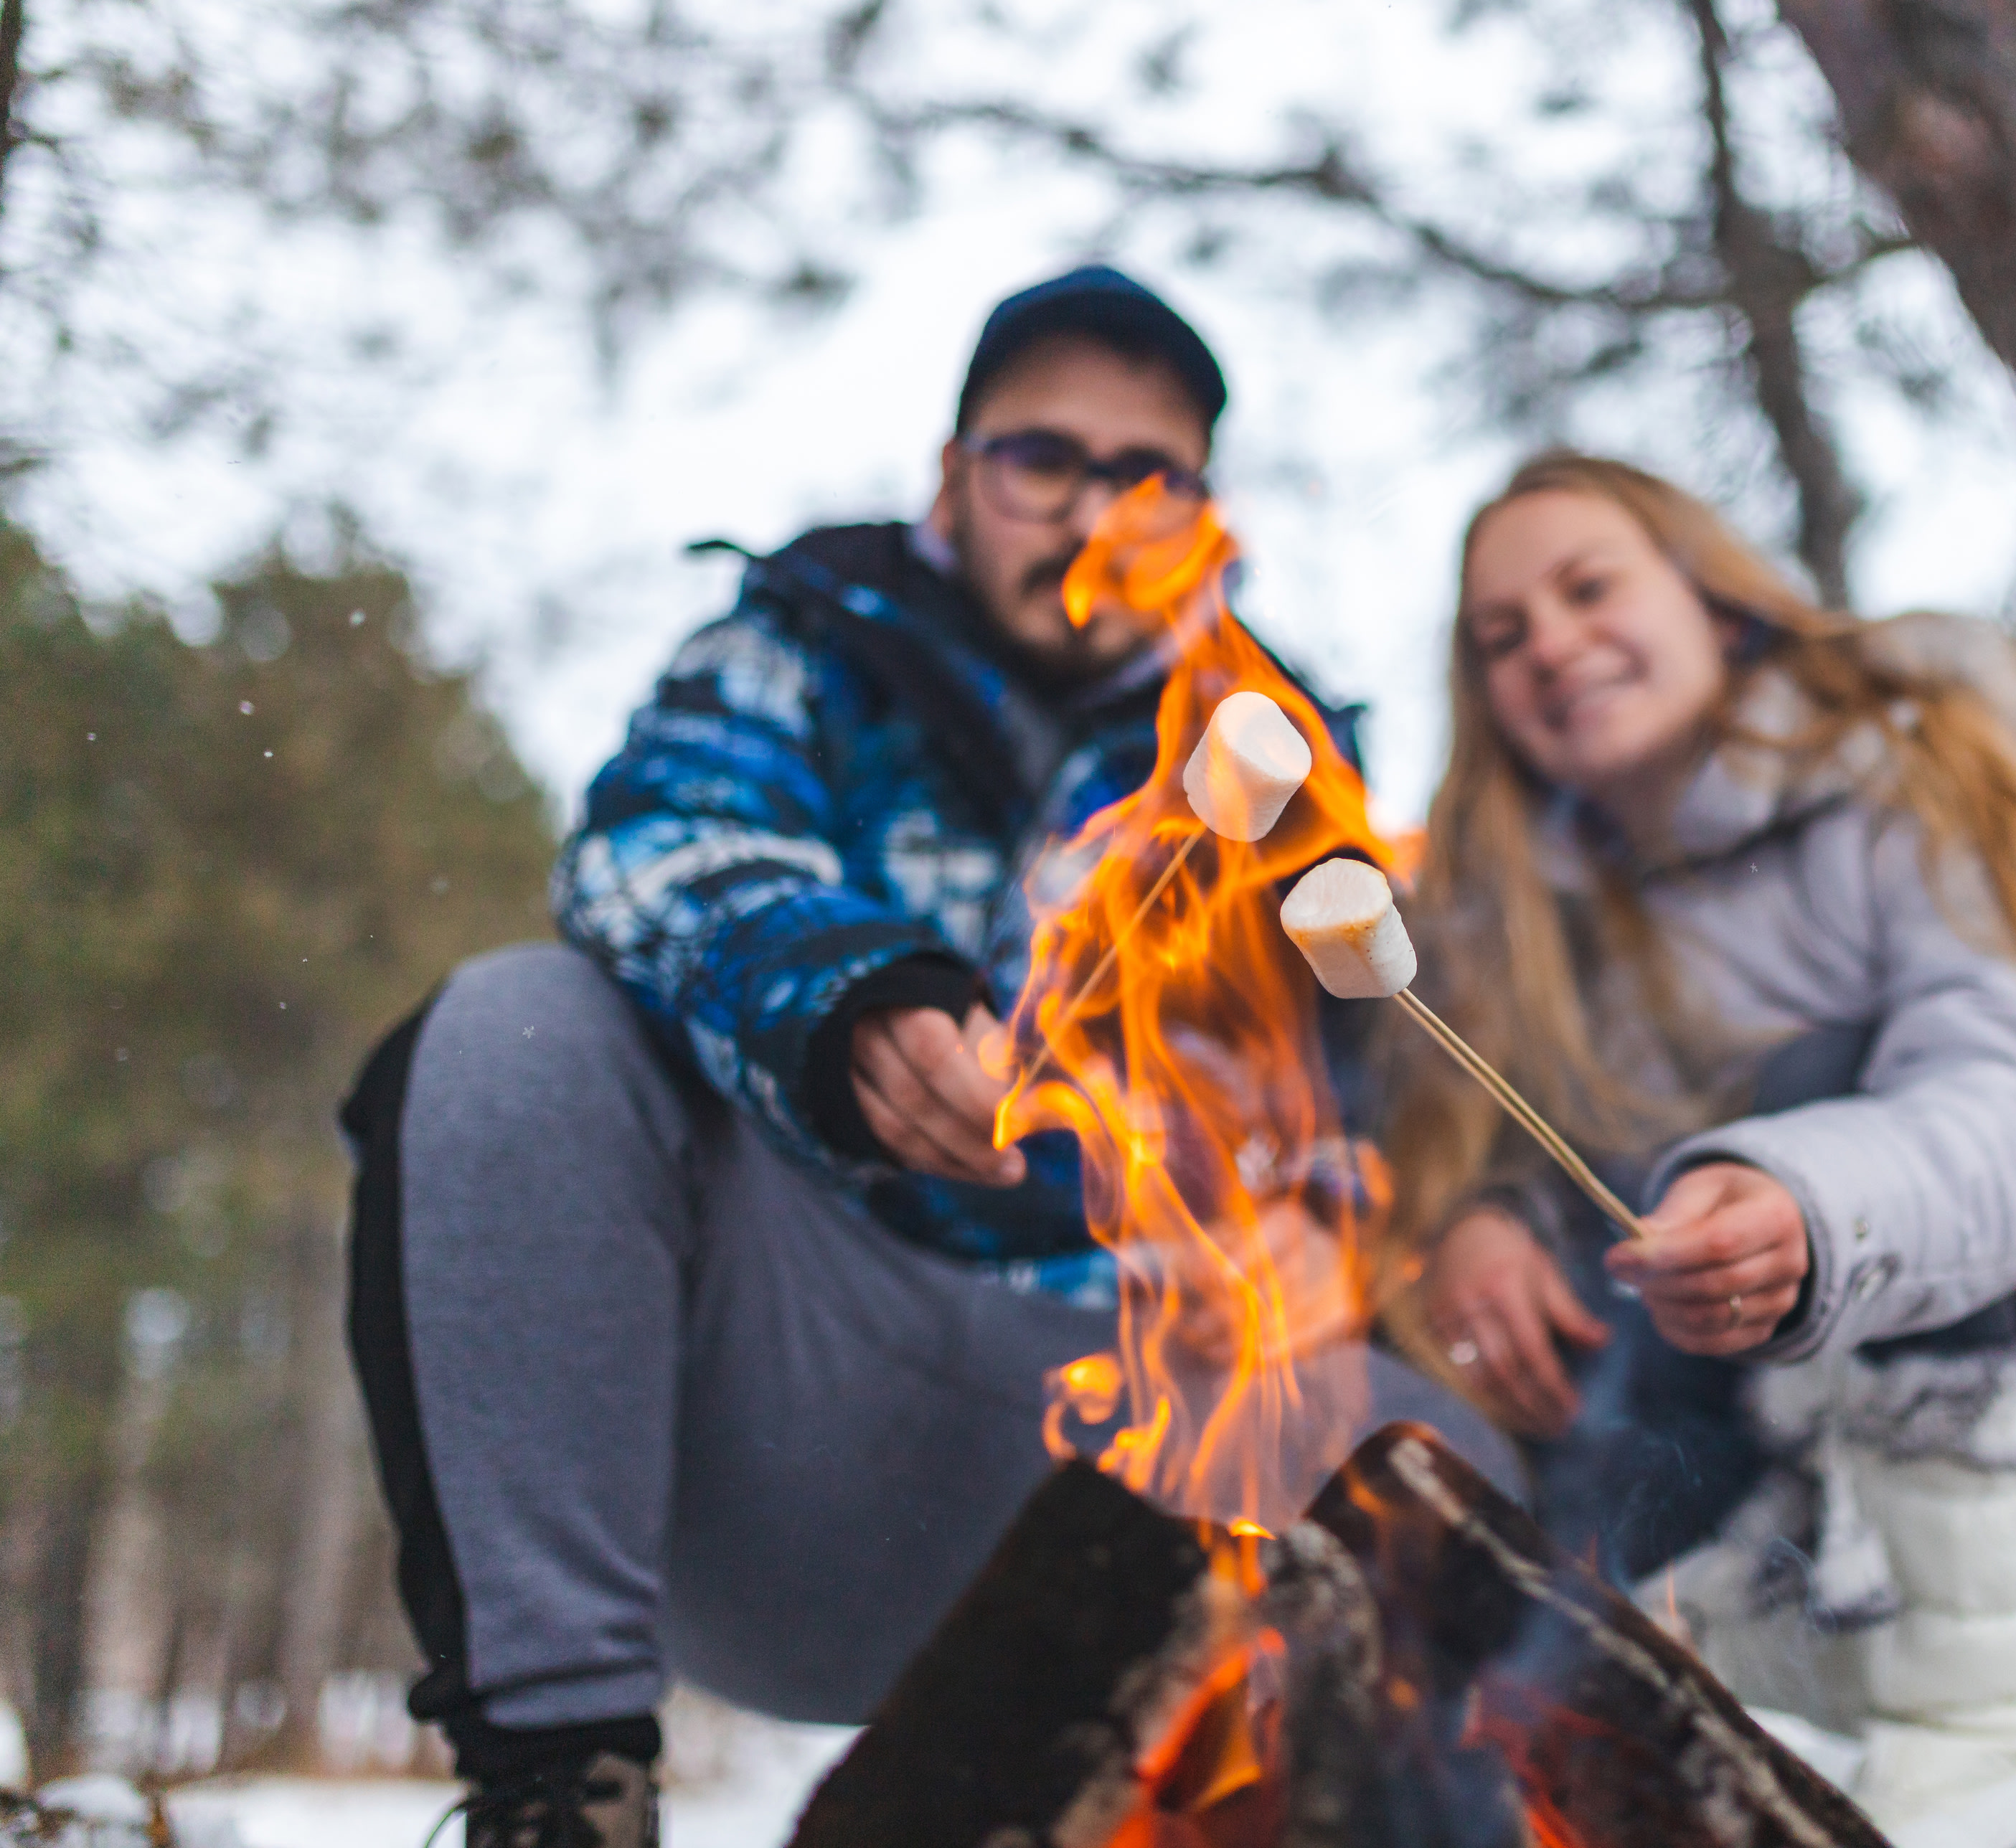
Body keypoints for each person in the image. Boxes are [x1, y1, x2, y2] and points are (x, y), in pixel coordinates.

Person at [341, 266, 1513, 1848]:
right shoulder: (799, 648)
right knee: (513, 1030)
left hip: (1139, 1440)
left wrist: (1327, 1207)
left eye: (1146, 474)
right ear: (951, 476)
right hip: (792, 1394)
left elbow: (1355, 1087)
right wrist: (848, 1004)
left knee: (1442, 1449)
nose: (1092, 510)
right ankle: (562, 1786)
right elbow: (660, 838)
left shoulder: (1288, 757)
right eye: (1043, 457)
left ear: (1205, 510)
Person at [1381, 453, 2016, 1848]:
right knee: (1580, 1280)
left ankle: (1988, 1776)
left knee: (1822, 1091)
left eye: (1590, 588)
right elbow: (1483, 1141)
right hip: (1815, 1535)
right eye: (1502, 636)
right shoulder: (1526, 924)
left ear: (1711, 598)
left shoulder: (1911, 766)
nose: (1553, 648)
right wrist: (1478, 1221)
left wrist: (1809, 1208)